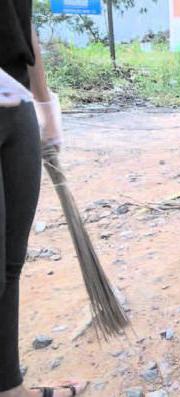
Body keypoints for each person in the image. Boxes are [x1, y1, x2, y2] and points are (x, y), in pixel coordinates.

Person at [0, 2, 87, 396]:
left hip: (13, 97)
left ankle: (9, 386)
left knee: (11, 261)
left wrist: (46, 105)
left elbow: (23, 26)